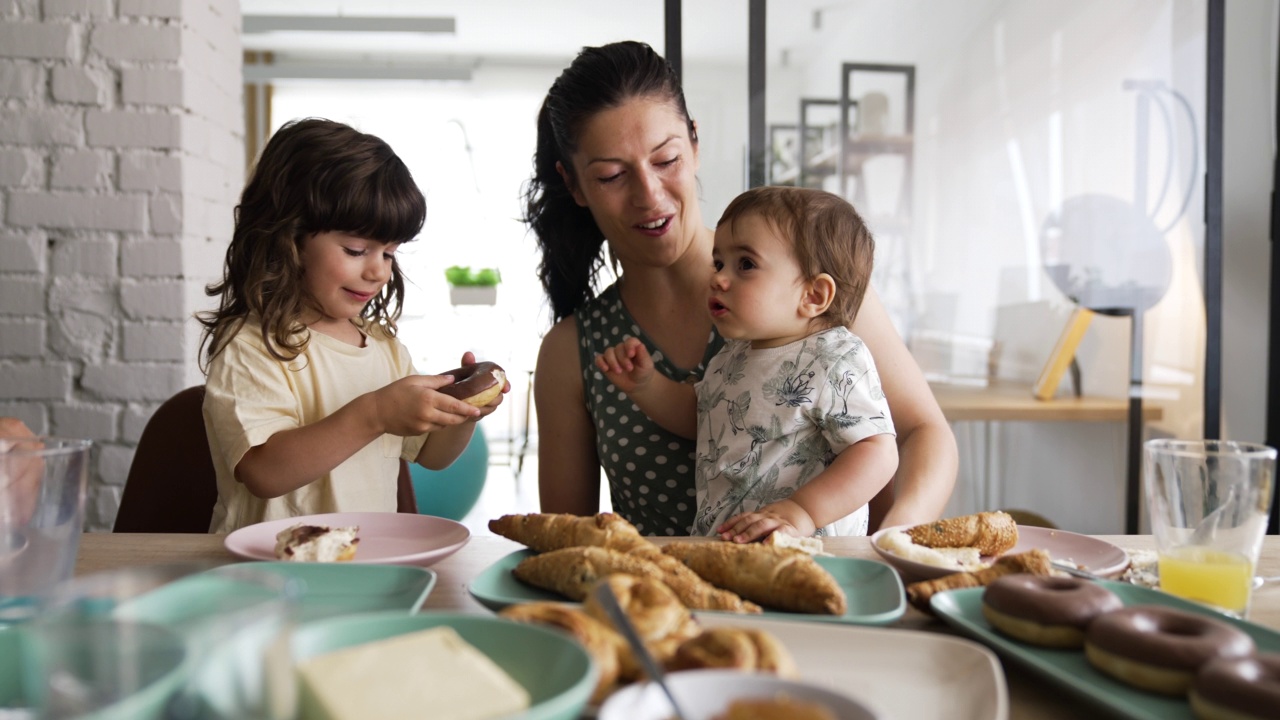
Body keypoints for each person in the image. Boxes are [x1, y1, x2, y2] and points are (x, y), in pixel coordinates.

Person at [525, 41, 956, 537]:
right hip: (667, 603)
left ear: (694, 143)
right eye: (612, 175)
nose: (649, 195)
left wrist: (891, 545)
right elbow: (567, 544)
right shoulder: (572, 352)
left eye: (665, 160)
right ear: (574, 185)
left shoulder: (805, 289)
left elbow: (924, 434)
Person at [199, 118, 506, 534]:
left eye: (390, 253)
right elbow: (264, 472)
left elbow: (432, 456)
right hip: (269, 575)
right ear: (287, 237)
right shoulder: (250, 344)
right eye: (357, 249)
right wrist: (374, 413)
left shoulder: (383, 348)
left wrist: (464, 411)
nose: (378, 271)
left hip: (364, 566)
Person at [595, 186, 898, 542]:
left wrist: (803, 510)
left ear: (813, 295)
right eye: (719, 263)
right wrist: (647, 385)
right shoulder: (731, 355)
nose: (718, 278)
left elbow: (877, 451)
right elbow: (702, 416)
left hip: (807, 550)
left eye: (746, 265)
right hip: (723, 543)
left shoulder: (835, 356)